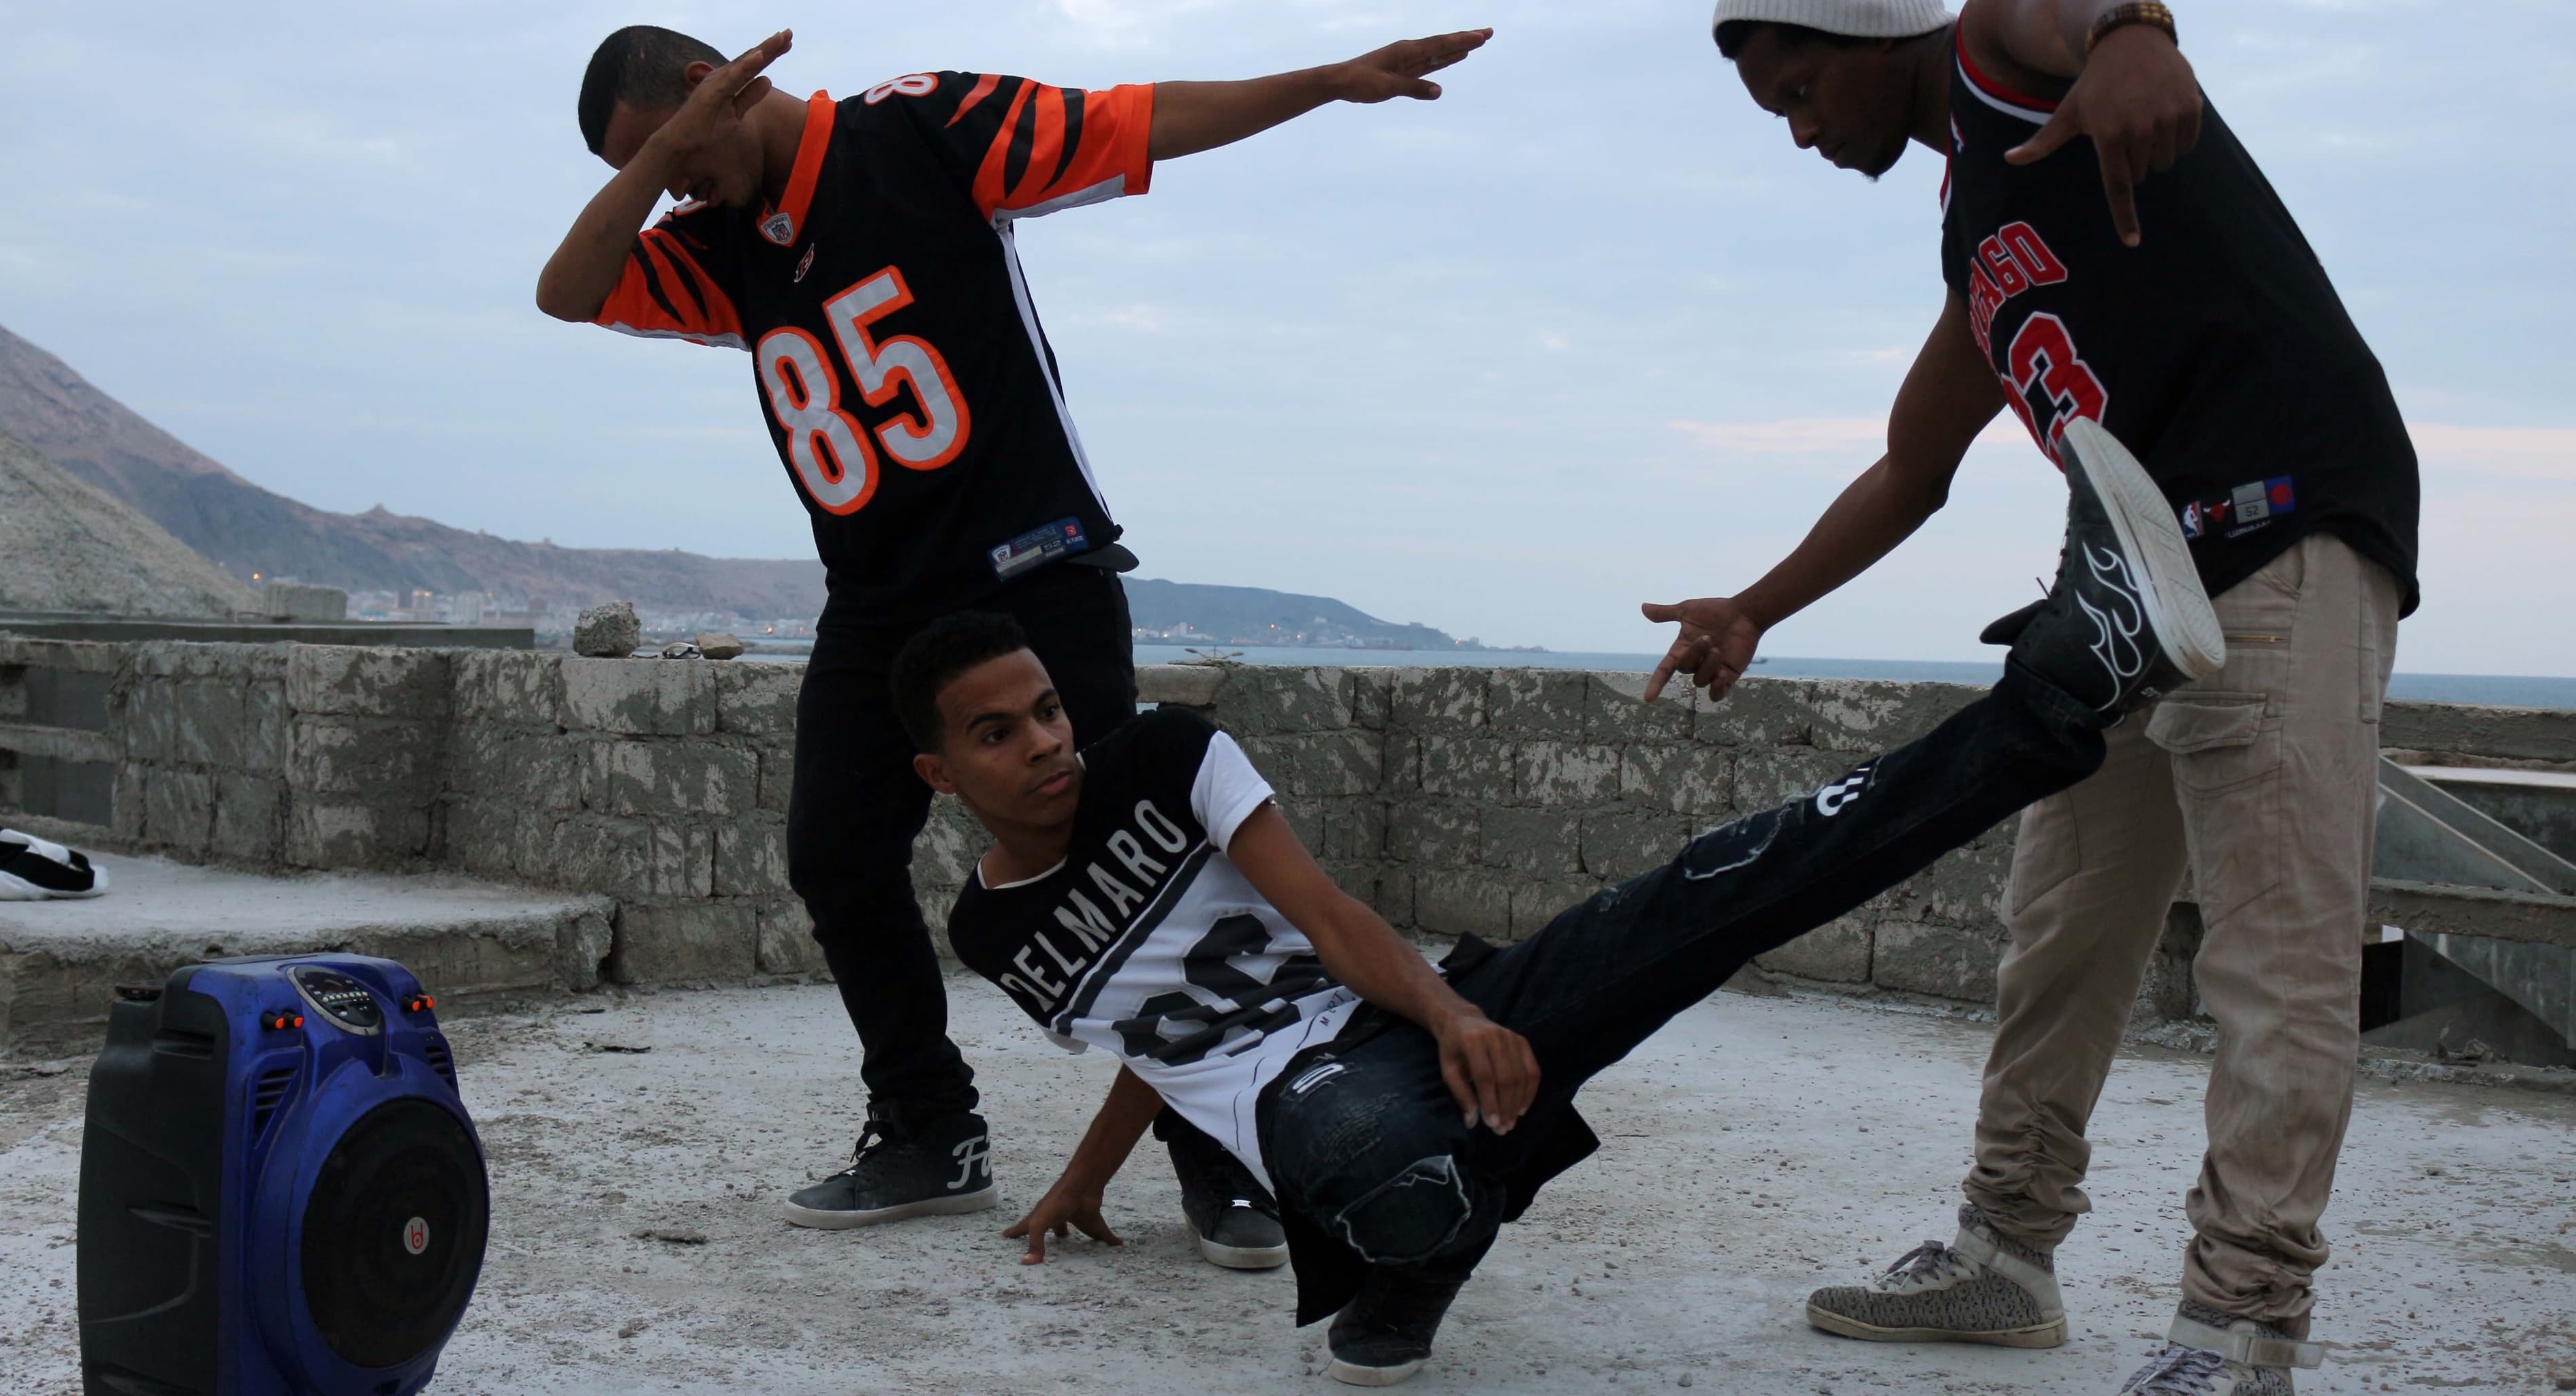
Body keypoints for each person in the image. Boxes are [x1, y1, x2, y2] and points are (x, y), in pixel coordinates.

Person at [912, 419, 2220, 1386]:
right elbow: (1150, 1042)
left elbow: (1330, 915)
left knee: (1727, 886)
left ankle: (2073, 674)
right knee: (1389, 1164)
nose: (1045, 742)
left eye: (1046, 709)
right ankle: (1411, 1259)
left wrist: (1450, 1014)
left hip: (1409, 1020)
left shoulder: (1166, 755)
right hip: (1311, 1114)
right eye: (996, 733)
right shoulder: (992, 930)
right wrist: (1083, 1179)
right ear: (942, 775)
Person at [535, 21, 1492, 1260]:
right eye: (647, 169)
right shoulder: (714, 243)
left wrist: (1320, 82)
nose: (670, 186)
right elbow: (567, 291)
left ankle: (1221, 1152)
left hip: (1030, 563)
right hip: (878, 601)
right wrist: (669, 152)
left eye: (668, 151)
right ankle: (929, 1128)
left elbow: (1138, 120)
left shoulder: (917, 129)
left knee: (1143, 865)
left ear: (714, 84)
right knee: (836, 856)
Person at [1652, 0, 2422, 1389]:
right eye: (1778, 114)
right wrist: (1756, 606)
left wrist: (2131, 32)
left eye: (1804, 90)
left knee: (2275, 955)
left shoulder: (2005, 60)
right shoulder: (1977, 227)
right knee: (2062, 929)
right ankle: (2005, 1256)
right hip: (2127, 591)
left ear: (1873, 32)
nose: (1802, 132)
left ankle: (2243, 1325)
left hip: (2280, 526)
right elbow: (1912, 466)